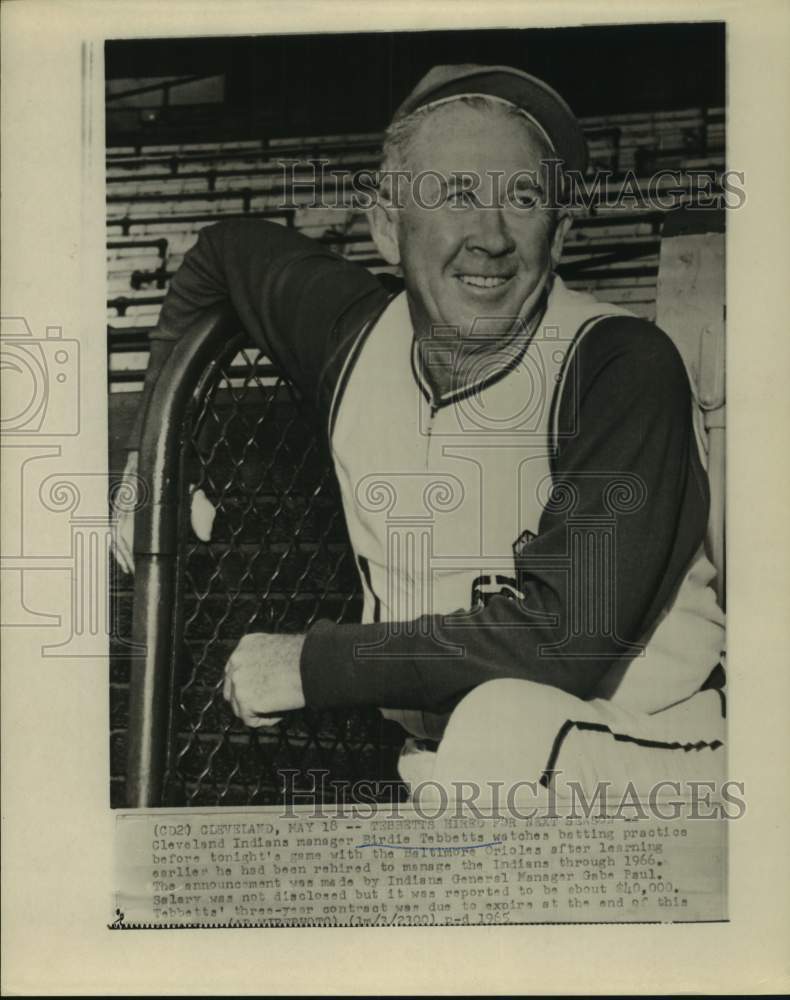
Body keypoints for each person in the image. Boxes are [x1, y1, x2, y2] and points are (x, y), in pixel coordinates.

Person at [113, 65, 726, 799]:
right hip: (459, 769)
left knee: (500, 730)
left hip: (652, 751)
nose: (490, 237)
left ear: (561, 236)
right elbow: (221, 254)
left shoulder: (619, 362)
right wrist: (148, 472)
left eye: (523, 198)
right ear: (384, 224)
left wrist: (309, 665)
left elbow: (559, 642)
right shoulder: (355, 337)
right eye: (456, 194)